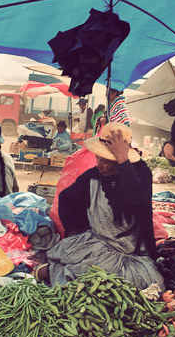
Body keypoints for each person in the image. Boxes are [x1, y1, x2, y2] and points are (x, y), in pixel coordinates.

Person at [35, 123, 163, 290]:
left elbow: (136, 198)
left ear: (120, 161)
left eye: (106, 161)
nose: (99, 165)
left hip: (133, 251)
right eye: (98, 159)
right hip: (98, 244)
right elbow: (66, 199)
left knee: (147, 283)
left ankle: (52, 271)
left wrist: (123, 159)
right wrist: (74, 230)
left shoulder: (140, 173)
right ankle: (50, 271)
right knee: (94, 279)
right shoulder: (92, 177)